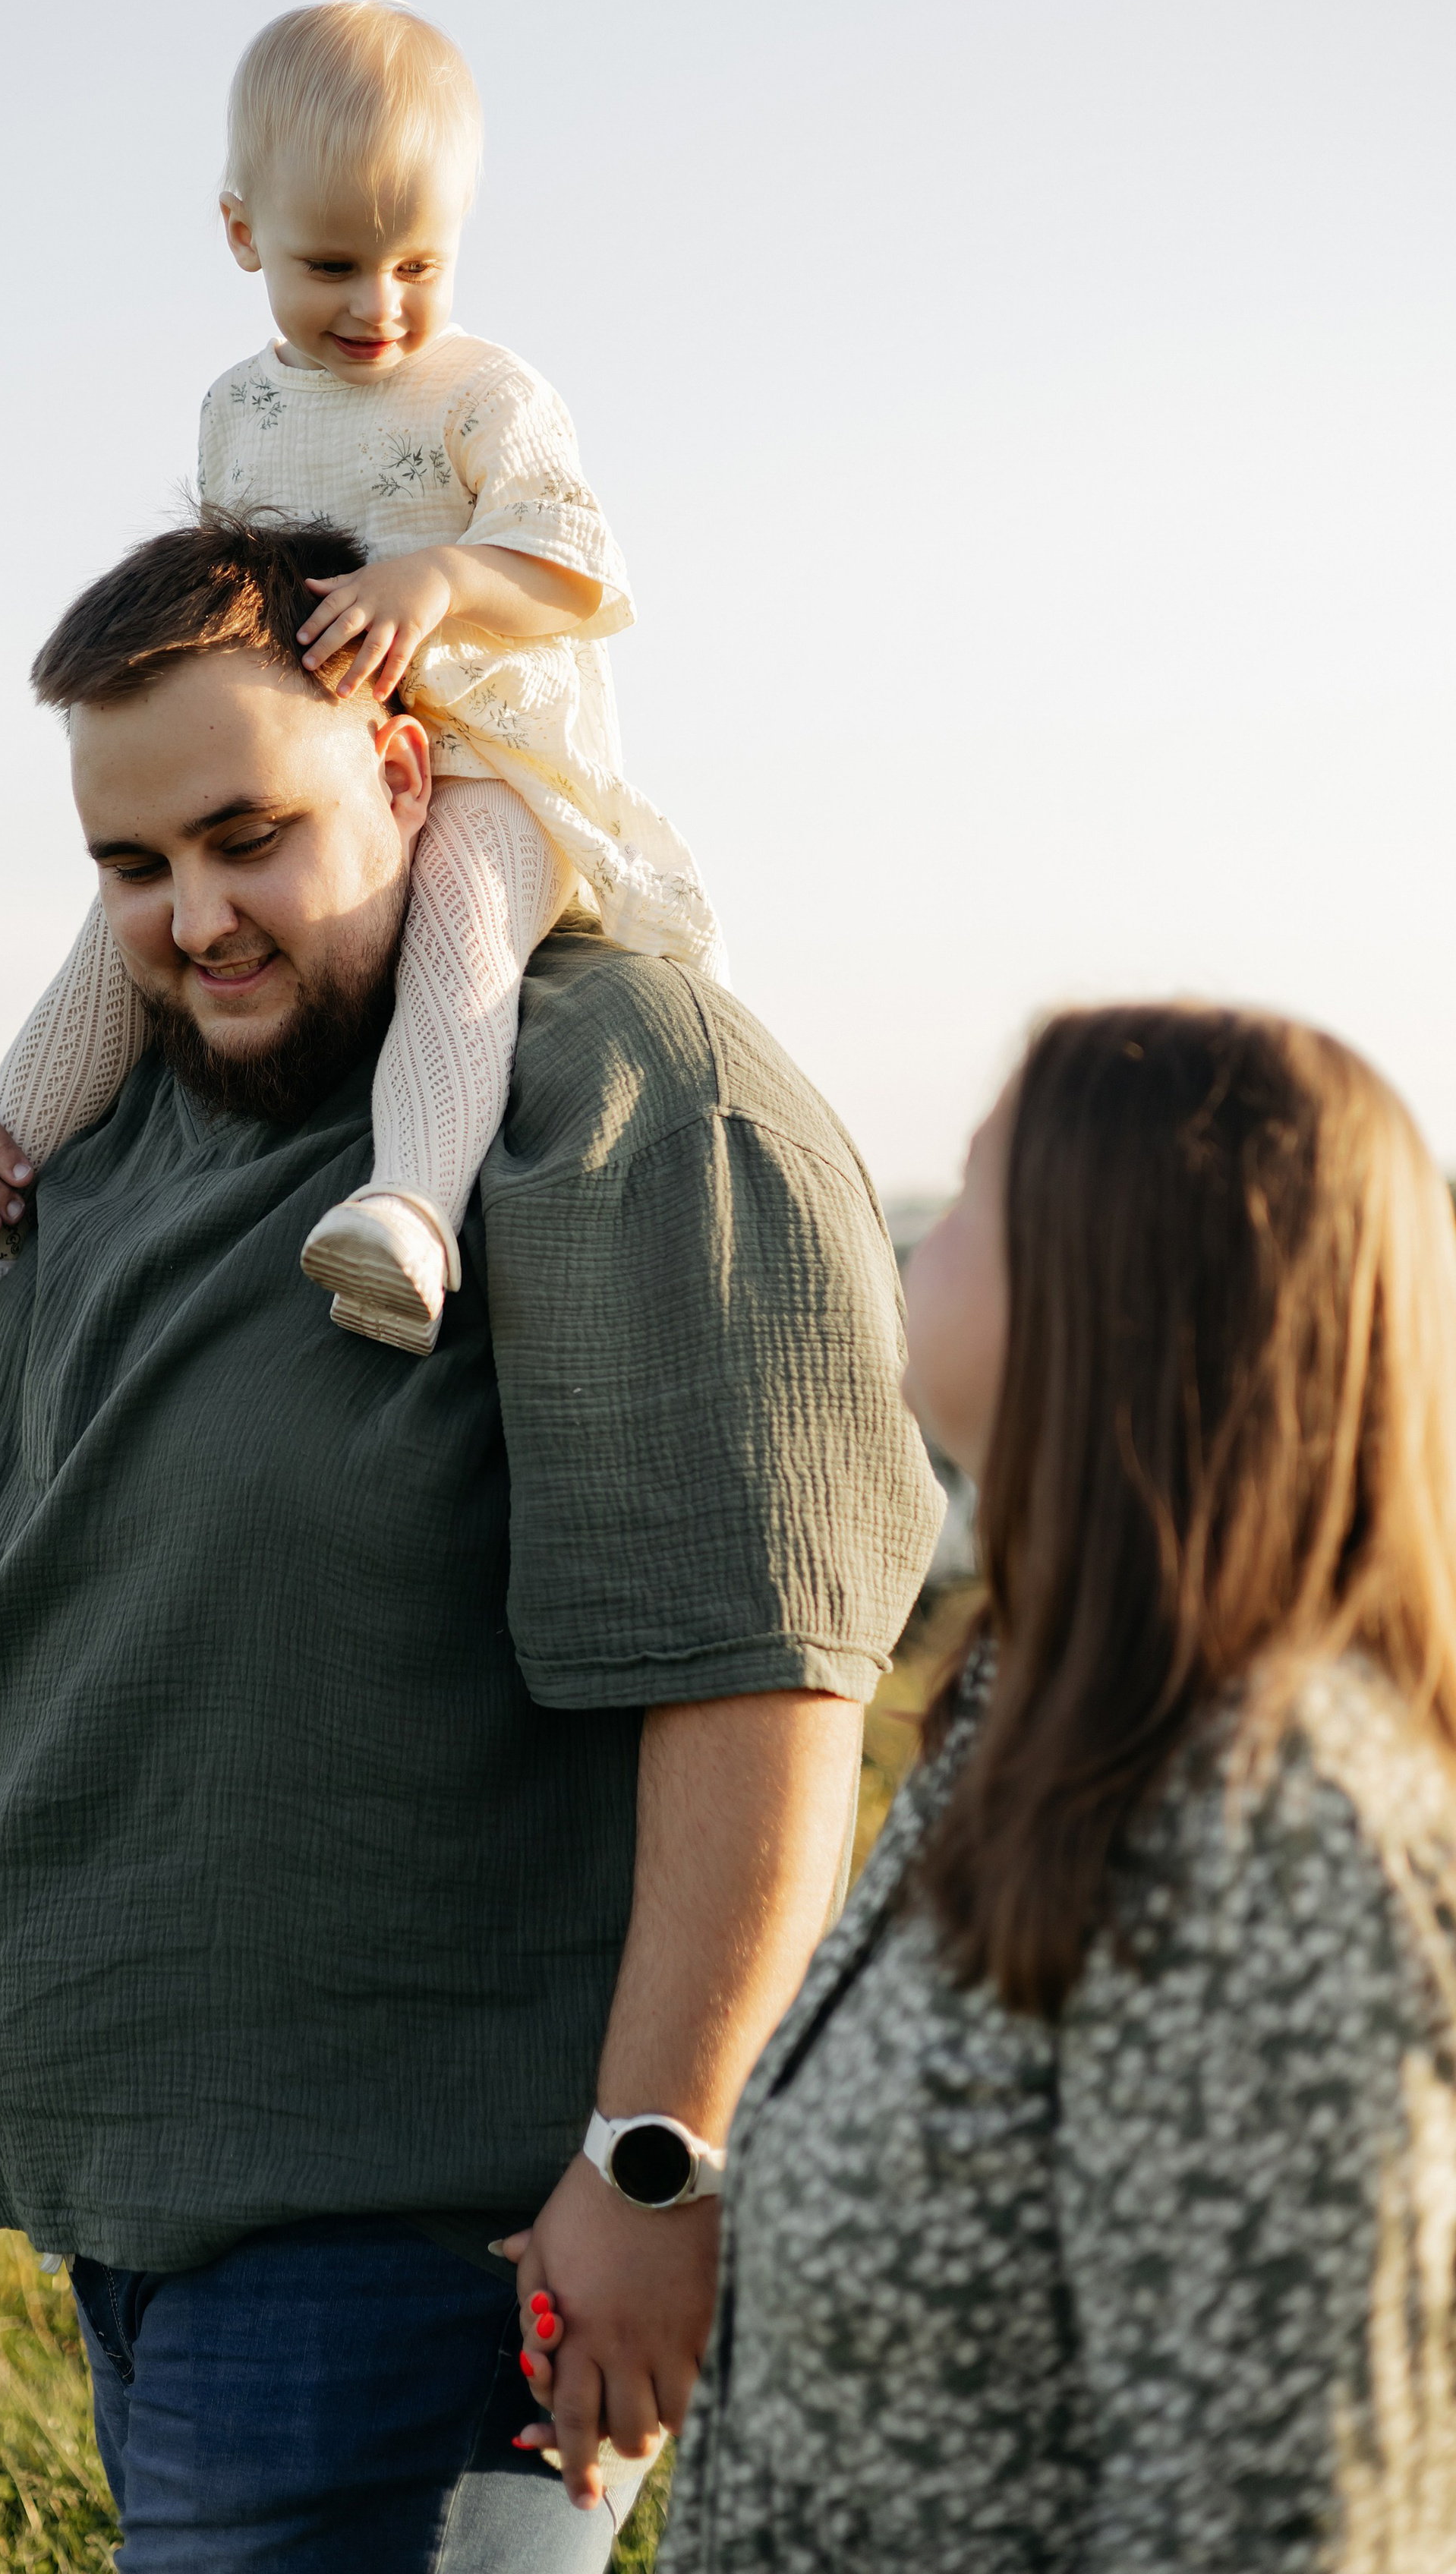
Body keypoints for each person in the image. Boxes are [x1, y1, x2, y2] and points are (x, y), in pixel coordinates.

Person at [0, 509, 943, 2572]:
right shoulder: (158, 1108)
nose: (193, 920)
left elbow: (764, 1671)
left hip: (431, 2237)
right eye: (133, 867)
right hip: (151, 2202)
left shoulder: (624, 1091)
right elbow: (129, 1484)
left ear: (410, 769)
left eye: (251, 836)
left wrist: (655, 2164)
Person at [658, 1004, 1456, 2574]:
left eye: (967, 1196)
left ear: (1109, 1284)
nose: (914, 1240)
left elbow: (1276, 2523)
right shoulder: (1043, 1716)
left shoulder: (1269, 1831)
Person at [0, 0, 721, 1355]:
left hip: (480, 752)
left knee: (464, 943)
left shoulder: (486, 396)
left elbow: (581, 574)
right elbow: (229, 592)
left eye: (421, 263)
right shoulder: (240, 406)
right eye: (336, 263)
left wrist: (446, 578)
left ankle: (407, 1205)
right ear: (242, 235)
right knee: (103, 963)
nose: (381, 306)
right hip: (326, 744)